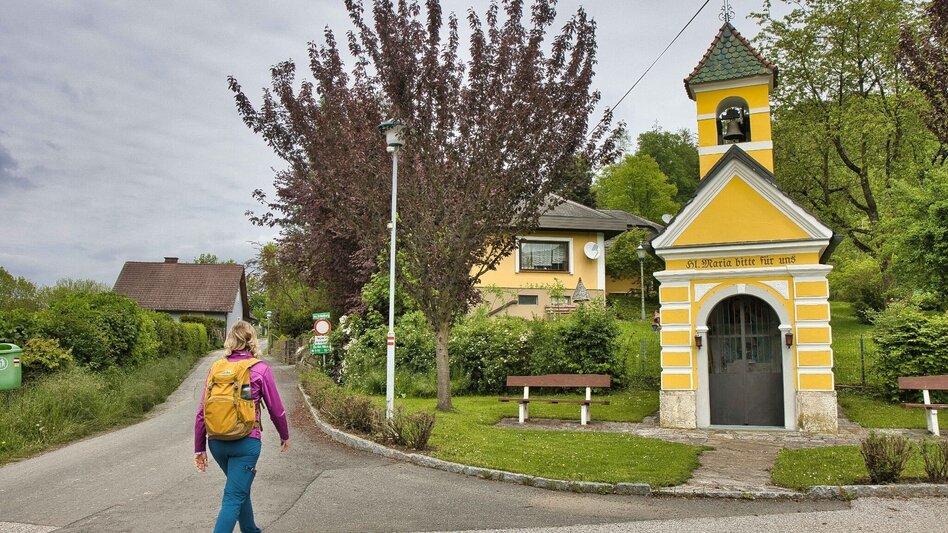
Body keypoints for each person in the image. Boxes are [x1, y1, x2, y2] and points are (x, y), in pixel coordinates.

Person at [194, 320, 290, 533]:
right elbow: (276, 409)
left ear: (230, 340)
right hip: (246, 442)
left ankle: (250, 529)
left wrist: (199, 448)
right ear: (252, 341)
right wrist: (284, 434)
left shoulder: (216, 368)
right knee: (234, 496)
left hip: (216, 442)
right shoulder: (260, 369)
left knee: (238, 487)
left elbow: (202, 410)